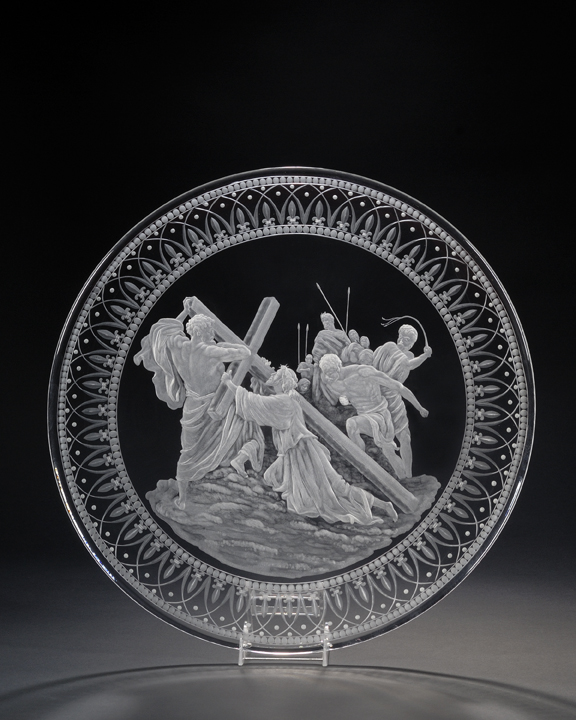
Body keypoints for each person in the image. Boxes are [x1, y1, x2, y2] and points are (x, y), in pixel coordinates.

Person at [222, 366, 397, 524]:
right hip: (294, 451)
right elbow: (262, 402)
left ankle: (384, 505)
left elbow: (256, 402)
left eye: (276, 374)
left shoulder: (285, 401)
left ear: (282, 381)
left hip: (303, 451)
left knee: (337, 488)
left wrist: (229, 383)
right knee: (272, 476)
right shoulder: (287, 398)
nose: (272, 375)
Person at [134, 306, 264, 508]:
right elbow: (245, 351)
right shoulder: (210, 351)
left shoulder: (178, 345)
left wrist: (185, 311)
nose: (213, 334)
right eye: (211, 331)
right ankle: (241, 459)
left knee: (188, 453)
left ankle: (183, 499)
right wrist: (223, 342)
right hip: (215, 405)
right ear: (205, 332)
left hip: (192, 407)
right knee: (248, 427)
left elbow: (167, 329)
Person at [319, 353, 428, 479]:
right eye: (327, 373)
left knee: (352, 424)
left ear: (338, 366)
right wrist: (344, 398)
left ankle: (364, 464)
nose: (329, 376)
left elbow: (398, 387)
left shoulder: (363, 372)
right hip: (365, 417)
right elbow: (341, 392)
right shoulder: (333, 382)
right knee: (389, 454)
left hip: (380, 416)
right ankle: (368, 465)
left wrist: (419, 407)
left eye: (331, 372)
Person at [372, 325, 432, 477]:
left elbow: (407, 369)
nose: (406, 342)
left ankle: (409, 476)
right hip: (379, 395)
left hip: (394, 397)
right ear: (399, 336)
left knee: (405, 436)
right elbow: (408, 364)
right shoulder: (390, 347)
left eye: (410, 340)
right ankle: (397, 472)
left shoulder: (408, 355)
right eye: (405, 338)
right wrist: (425, 356)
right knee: (384, 439)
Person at [310, 312, 350, 403]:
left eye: (326, 321)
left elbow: (349, 345)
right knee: (320, 370)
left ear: (332, 321)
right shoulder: (322, 334)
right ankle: (323, 399)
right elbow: (316, 350)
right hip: (326, 361)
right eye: (323, 321)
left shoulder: (341, 333)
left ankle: (346, 396)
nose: (325, 323)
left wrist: (346, 341)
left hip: (341, 360)